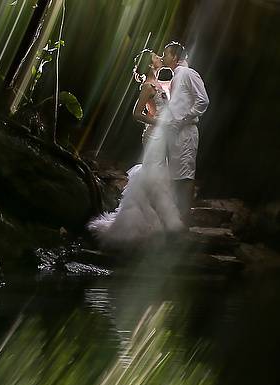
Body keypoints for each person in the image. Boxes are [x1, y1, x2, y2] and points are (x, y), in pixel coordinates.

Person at [88, 50, 185, 249]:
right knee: (152, 175)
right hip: (154, 135)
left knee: (158, 176)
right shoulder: (148, 87)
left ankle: (155, 223)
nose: (159, 58)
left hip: (161, 136)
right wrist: (157, 122)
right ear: (150, 65)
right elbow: (136, 113)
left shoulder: (159, 84)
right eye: (156, 57)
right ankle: (135, 228)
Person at [163, 41, 210, 221]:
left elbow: (203, 100)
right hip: (174, 133)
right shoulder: (175, 75)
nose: (163, 56)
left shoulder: (189, 73)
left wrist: (183, 120)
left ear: (175, 56)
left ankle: (184, 219)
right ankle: (176, 217)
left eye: (166, 53)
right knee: (175, 175)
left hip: (186, 132)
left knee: (186, 176)